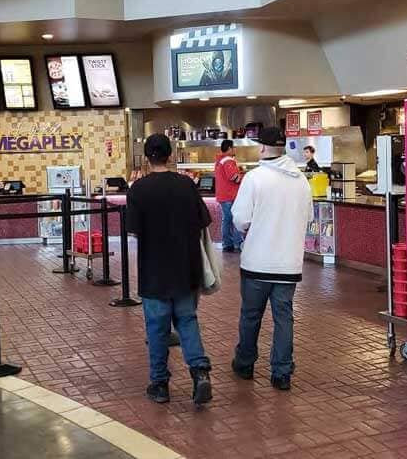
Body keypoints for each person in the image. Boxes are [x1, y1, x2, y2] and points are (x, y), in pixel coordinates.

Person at [125, 134, 213, 405]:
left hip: (154, 271)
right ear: (170, 155)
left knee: (156, 327)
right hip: (186, 268)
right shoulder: (186, 185)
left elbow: (134, 230)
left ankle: (160, 384)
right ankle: (200, 374)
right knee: (187, 321)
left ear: (147, 157)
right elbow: (203, 221)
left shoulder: (138, 190)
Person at [231, 126, 313, 390]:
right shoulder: (301, 180)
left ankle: (245, 364)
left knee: (251, 316)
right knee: (284, 318)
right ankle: (281, 372)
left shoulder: (255, 178)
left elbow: (241, 219)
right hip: (288, 263)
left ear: (263, 149)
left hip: (257, 262)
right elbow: (309, 218)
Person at [215, 139, 244, 252]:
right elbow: (234, 177)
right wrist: (244, 177)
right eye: (234, 147)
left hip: (223, 195)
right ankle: (235, 243)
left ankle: (228, 244)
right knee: (233, 219)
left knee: (227, 219)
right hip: (229, 195)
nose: (235, 149)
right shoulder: (228, 161)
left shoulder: (220, 160)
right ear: (229, 149)